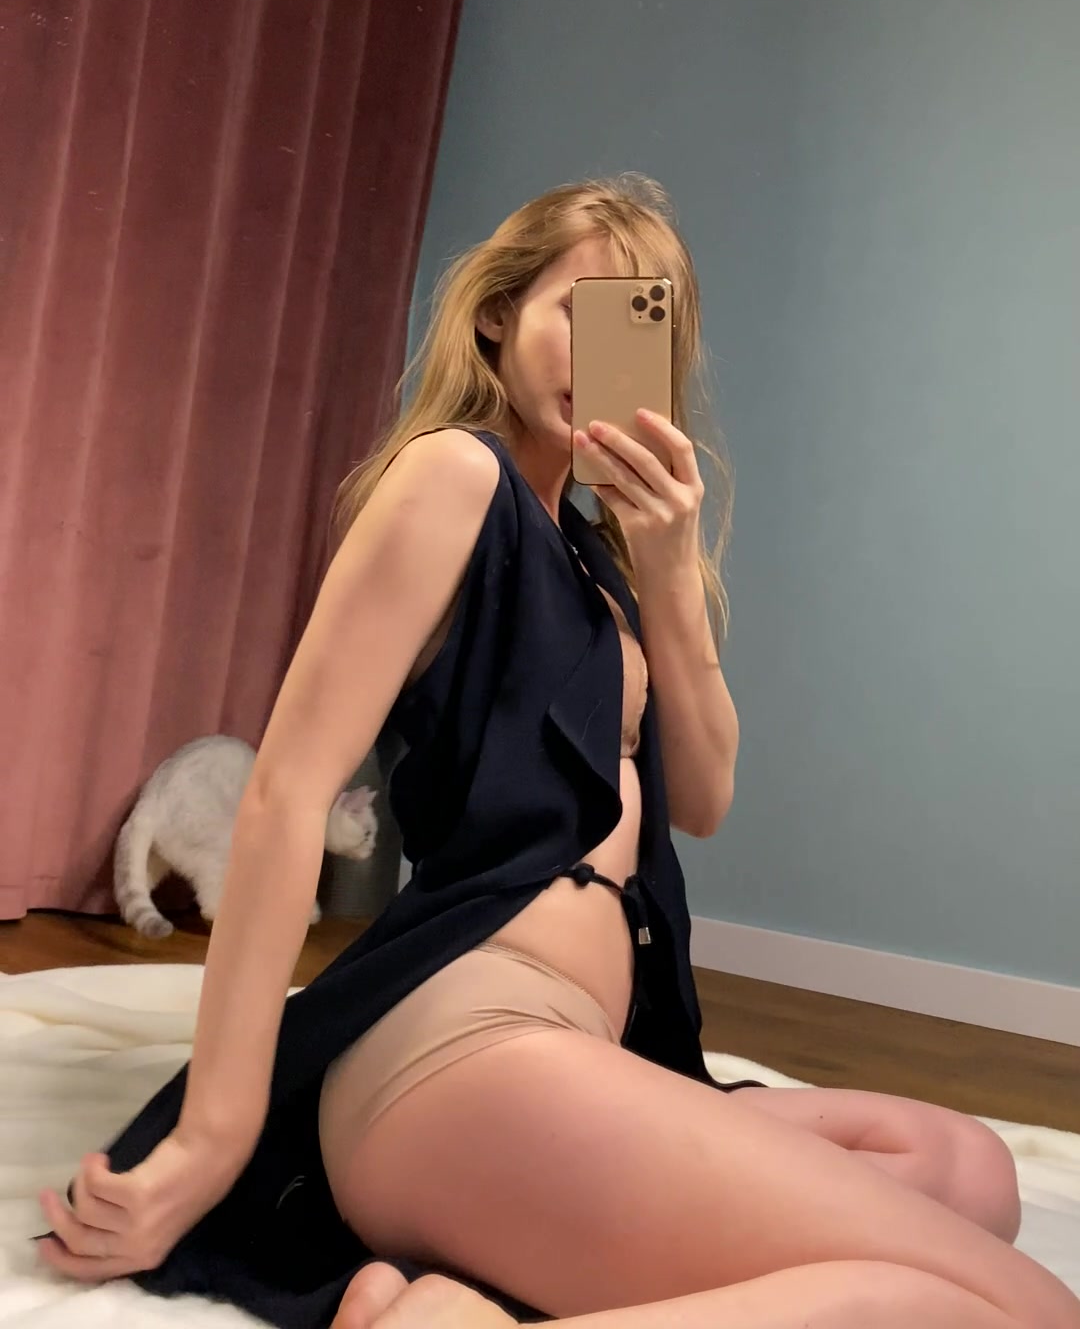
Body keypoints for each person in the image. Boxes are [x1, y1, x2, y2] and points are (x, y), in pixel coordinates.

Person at [35, 178, 1079, 1329]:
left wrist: (669, 569)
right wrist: (214, 1136)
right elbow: (285, 796)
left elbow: (707, 798)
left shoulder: (601, 566)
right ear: (497, 313)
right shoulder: (455, 476)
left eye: (638, 328)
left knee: (967, 1173)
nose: (599, 353)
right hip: (462, 1045)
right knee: (999, 1309)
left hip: (590, 1057)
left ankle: (462, 1297)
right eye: (576, 311)